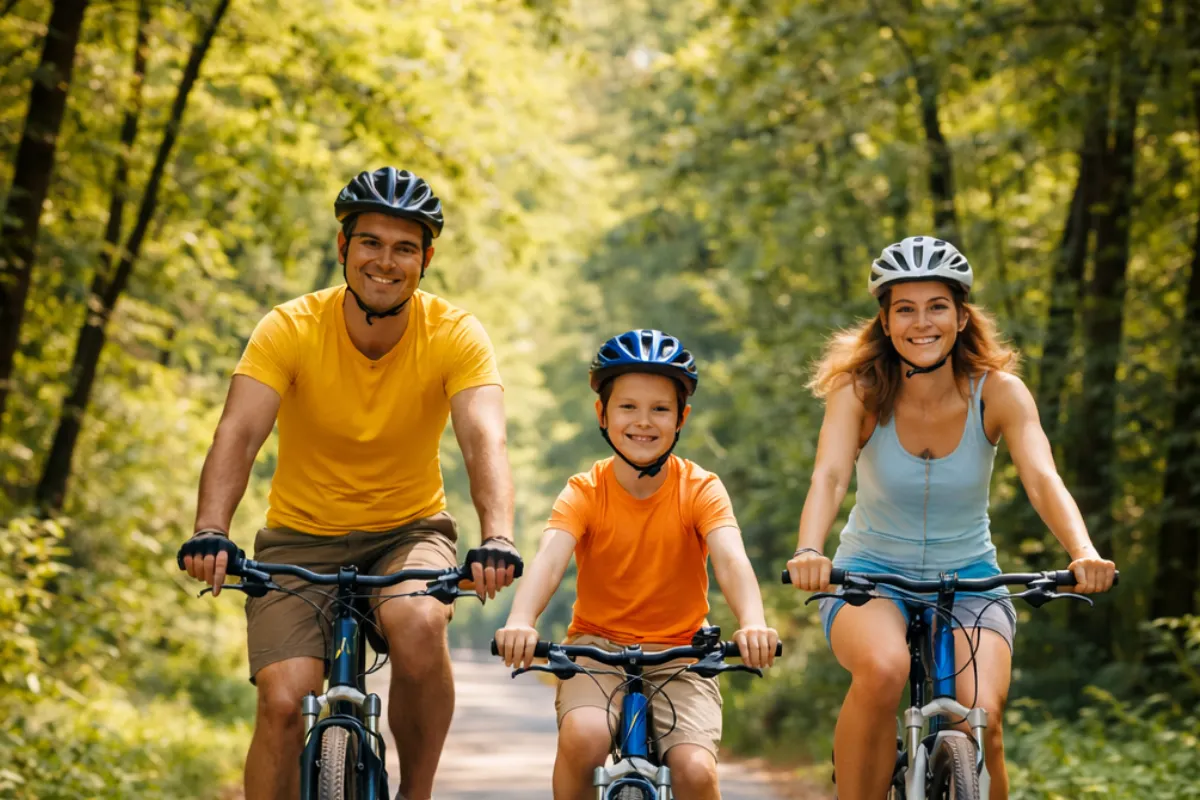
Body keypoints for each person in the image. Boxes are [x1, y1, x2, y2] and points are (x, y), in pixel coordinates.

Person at [177, 167, 522, 800]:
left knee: (419, 623)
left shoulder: (455, 334)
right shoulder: (290, 327)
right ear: (343, 248)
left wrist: (496, 537)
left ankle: (415, 792)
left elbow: (484, 438)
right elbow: (238, 432)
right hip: (299, 539)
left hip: (408, 533)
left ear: (426, 259)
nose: (385, 262)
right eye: (370, 243)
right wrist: (211, 530)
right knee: (284, 702)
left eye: (404, 248)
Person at [783, 236, 1117, 800]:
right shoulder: (860, 391)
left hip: (972, 577)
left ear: (961, 316)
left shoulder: (1000, 393)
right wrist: (811, 550)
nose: (922, 323)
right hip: (870, 574)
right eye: (904, 310)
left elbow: (1041, 479)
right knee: (884, 670)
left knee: (982, 712)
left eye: (936, 306)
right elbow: (831, 476)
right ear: (885, 323)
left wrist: (1082, 552)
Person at [495, 329, 779, 800]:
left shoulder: (700, 488)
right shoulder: (585, 491)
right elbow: (550, 559)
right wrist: (521, 621)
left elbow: (730, 558)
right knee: (584, 737)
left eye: (660, 409)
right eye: (628, 407)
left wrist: (753, 623)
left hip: (682, 654)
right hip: (596, 648)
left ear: (681, 417)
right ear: (602, 414)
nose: (643, 422)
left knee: (694, 770)